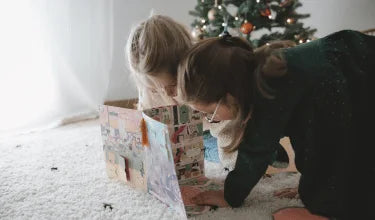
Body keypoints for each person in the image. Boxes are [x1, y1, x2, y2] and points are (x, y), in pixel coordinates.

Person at [177, 30, 374, 219]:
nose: (212, 119)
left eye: (210, 113)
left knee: (338, 194)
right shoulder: (263, 72)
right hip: (347, 61)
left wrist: (230, 195)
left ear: (229, 96)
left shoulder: (267, 90)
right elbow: (304, 137)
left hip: (352, 77)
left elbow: (256, 151)